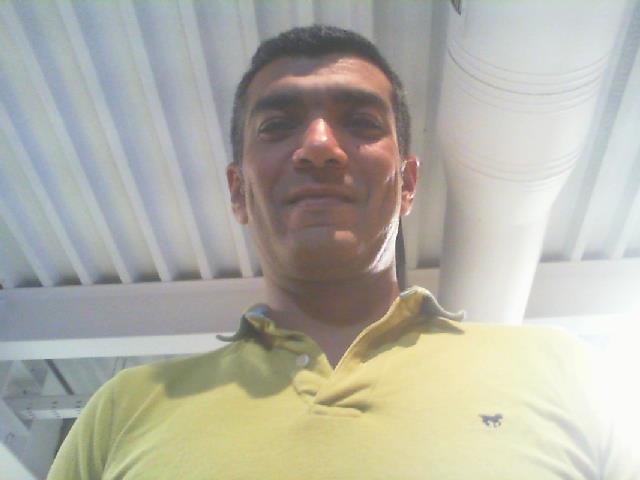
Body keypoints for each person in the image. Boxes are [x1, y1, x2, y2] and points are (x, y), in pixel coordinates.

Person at [48, 25, 637, 479]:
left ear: (407, 184)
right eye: (277, 126)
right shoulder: (123, 410)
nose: (320, 147)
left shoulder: (565, 373)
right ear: (238, 191)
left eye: (360, 121)